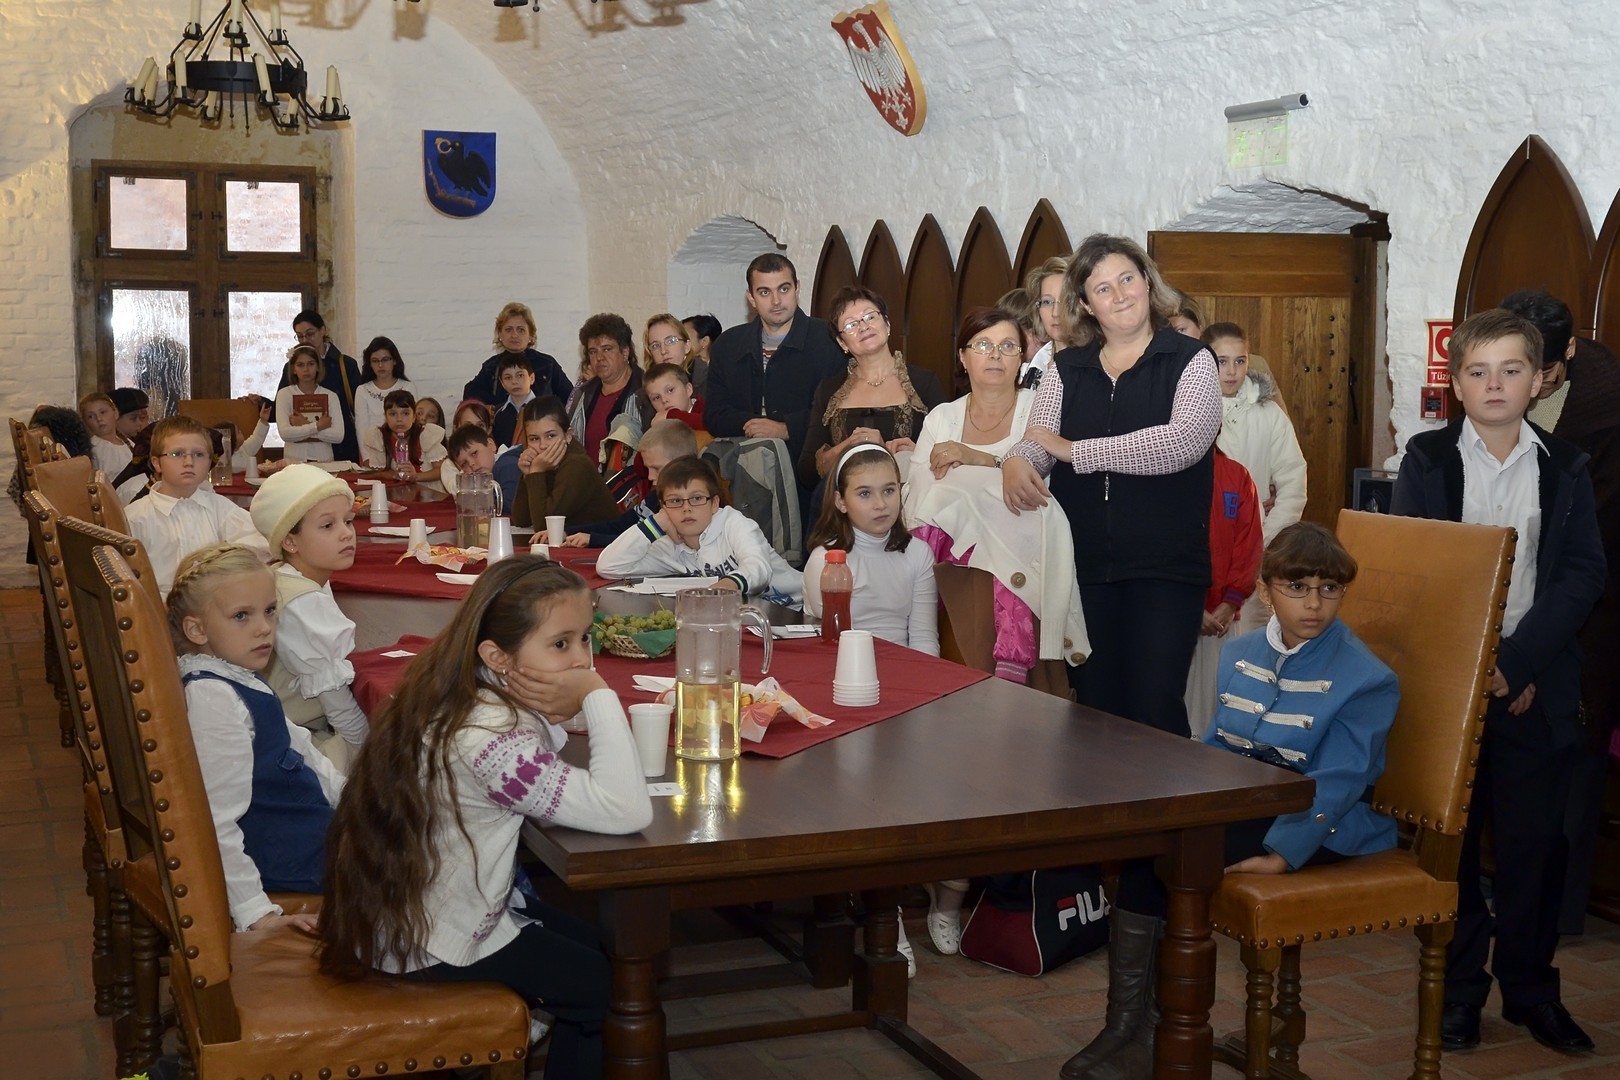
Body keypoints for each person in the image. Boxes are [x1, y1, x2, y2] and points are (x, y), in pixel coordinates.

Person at [1063, 522, 1400, 1080]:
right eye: (1297, 588)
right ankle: (1125, 1027)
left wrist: (1284, 853)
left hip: (1321, 823)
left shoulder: (1366, 677)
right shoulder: (1241, 651)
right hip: (1251, 804)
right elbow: (1219, 746)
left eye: (1329, 589)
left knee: (1173, 858)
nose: (1314, 604)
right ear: (1265, 591)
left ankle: (1156, 1031)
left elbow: (1340, 782)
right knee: (1152, 847)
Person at [318, 557, 653, 1079]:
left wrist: (565, 696)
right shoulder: (490, 740)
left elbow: (546, 747)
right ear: (497, 655)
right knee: (604, 988)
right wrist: (598, 695)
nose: (582, 660)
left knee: (597, 947)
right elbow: (625, 808)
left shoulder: (463, 692)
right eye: (561, 643)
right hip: (429, 938)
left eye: (585, 638)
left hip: (407, 907)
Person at [1391, 308, 1605, 1057]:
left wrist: (1519, 664)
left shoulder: (1566, 466)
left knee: (1534, 849)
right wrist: (1480, 668)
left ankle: (1531, 990)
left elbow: (1580, 575)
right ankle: (1457, 992)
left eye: (1511, 370)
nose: (1494, 384)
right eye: (1477, 371)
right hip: (1452, 687)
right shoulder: (1426, 460)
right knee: (1450, 849)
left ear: (1538, 379)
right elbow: (1417, 570)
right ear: (1456, 383)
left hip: (1533, 684)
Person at [1004, 234, 1221, 737]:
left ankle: (1165, 793)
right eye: (1103, 288)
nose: (1120, 295)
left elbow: (1180, 444)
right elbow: (1039, 441)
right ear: (1085, 304)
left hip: (1164, 566)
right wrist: (1015, 460)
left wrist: (1075, 451)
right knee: (1094, 709)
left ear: (1147, 281)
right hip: (1083, 568)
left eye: (1127, 279)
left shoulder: (1191, 359)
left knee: (1153, 705)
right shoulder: (1066, 368)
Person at [1499, 287, 1620, 935]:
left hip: (1588, 608)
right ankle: (1510, 887)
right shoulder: (1498, 383)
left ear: (1569, 350)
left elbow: (1589, 532)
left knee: (1571, 749)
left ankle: (1558, 908)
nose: (1532, 383)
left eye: (1541, 369)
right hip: (1507, 596)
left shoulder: (1607, 414)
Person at [801, 444, 939, 975]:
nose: (880, 504)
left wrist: (927, 703)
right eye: (864, 493)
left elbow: (923, 639)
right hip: (844, 687)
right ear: (840, 501)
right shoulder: (826, 561)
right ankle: (888, 917)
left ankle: (944, 901)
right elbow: (827, 644)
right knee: (867, 791)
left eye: (889, 490)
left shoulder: (917, 554)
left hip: (903, 689)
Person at [906, 307, 1087, 686]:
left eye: (1007, 346)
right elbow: (923, 497)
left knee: (1008, 499)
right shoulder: (942, 418)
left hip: (1025, 552)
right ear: (962, 356)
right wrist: (988, 480)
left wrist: (977, 463)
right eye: (983, 345)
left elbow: (1039, 486)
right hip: (955, 558)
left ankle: (1012, 653)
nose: (995, 355)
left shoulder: (1039, 409)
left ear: (1022, 358)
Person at [168, 543, 344, 932]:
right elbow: (215, 820)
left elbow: (304, 751)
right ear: (196, 629)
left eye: (269, 611)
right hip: (290, 859)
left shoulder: (238, 677)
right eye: (241, 616)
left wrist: (357, 803)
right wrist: (255, 913)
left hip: (311, 837)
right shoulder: (213, 698)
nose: (263, 627)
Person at [249, 464, 370, 769]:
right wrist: (371, 758)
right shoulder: (303, 601)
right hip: (296, 744)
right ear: (289, 541)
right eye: (328, 525)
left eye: (348, 521)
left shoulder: (292, 578)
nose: (346, 534)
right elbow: (338, 706)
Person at [703, 254, 846, 468]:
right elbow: (714, 414)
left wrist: (787, 428)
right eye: (764, 292)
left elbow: (840, 411)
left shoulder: (829, 340)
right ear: (751, 298)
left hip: (807, 465)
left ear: (797, 289)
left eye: (784, 289)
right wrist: (756, 426)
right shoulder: (728, 345)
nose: (776, 301)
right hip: (741, 460)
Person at [798, 286, 945, 492]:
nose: (864, 326)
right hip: (844, 503)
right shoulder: (829, 389)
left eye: (870, 317)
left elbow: (947, 452)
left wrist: (907, 453)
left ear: (887, 324)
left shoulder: (924, 382)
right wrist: (849, 446)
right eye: (851, 324)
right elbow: (806, 472)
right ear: (842, 342)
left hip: (912, 498)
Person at [598, 455, 802, 599]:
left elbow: (758, 568)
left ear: (714, 503)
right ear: (663, 507)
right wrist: (656, 522)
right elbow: (609, 566)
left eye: (696, 498)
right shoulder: (669, 544)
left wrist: (723, 587)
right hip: (746, 618)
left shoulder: (734, 524)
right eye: (675, 501)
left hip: (798, 611)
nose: (686, 508)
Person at [123, 415, 269, 597]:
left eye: (199, 454)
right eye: (177, 454)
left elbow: (259, 543)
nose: (189, 462)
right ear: (157, 463)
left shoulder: (219, 507)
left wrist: (220, 562)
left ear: (210, 462)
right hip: (159, 606)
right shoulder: (136, 517)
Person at [1182, 448, 1263, 738]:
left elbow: (1249, 542)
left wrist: (1231, 601)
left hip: (1222, 618)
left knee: (1220, 703)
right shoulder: (1166, 471)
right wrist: (1190, 606)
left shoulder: (1237, 475)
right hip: (1175, 612)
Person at [1206, 322, 1307, 547]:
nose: (1232, 371)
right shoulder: (1188, 414)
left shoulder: (1270, 414)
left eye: (1240, 361)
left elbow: (1293, 483)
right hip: (1202, 543)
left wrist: (1265, 539)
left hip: (1257, 540)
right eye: (1222, 361)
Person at [566, 419, 698, 548]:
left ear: (682, 464)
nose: (650, 477)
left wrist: (594, 539)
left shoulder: (686, 507)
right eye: (648, 469)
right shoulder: (653, 498)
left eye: (657, 469)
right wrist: (568, 532)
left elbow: (651, 544)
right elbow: (620, 527)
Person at [511, 396, 622, 534]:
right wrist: (527, 475)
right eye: (534, 439)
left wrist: (536, 472)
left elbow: (546, 528)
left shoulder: (577, 465)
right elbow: (521, 520)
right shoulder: (543, 463)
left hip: (601, 545)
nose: (542, 445)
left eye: (551, 436)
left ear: (568, 435)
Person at [284, 311, 363, 465]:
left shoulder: (346, 364)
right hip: (304, 449)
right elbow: (283, 407)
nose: (305, 340)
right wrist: (259, 402)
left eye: (310, 334)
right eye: (299, 336)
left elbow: (358, 407)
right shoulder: (291, 367)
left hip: (342, 444)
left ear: (322, 330)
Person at [567, 313, 646, 465]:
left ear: (625, 352)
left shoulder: (645, 391)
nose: (599, 357)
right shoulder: (584, 393)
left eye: (607, 349)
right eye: (593, 351)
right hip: (586, 476)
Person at [462, 301, 573, 408]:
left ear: (531, 335)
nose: (514, 335)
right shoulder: (491, 366)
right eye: (508, 329)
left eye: (521, 330)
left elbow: (571, 398)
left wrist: (551, 412)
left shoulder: (547, 364)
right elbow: (469, 392)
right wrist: (499, 406)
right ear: (500, 334)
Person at [276, 344, 347, 463]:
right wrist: (318, 426)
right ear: (293, 369)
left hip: (325, 462)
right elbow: (285, 433)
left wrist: (304, 424)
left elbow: (338, 436)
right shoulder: (285, 394)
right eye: (300, 365)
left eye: (311, 364)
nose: (306, 369)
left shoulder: (330, 396)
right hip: (294, 463)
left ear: (318, 367)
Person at [361, 389, 447, 482]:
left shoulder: (426, 435)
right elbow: (380, 471)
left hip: (427, 487)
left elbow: (441, 470)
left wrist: (415, 476)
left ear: (414, 417)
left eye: (405, 413)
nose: (399, 419)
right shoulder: (379, 437)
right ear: (385, 417)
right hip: (397, 487)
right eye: (393, 414)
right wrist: (397, 475)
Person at [446, 423, 522, 513]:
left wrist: (478, 502)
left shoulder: (507, 465)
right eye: (464, 464)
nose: (471, 464)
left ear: (491, 445)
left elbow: (511, 508)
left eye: (474, 453)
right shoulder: (488, 473)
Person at [352, 336, 417, 440]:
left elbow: (411, 423)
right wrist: (368, 451)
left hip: (402, 444)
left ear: (394, 360)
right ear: (370, 364)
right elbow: (361, 429)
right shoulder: (362, 390)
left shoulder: (407, 387)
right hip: (371, 446)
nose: (380, 365)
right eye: (375, 361)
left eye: (385, 360)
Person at [1022, 256, 1069, 389]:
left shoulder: (1099, 363)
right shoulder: (1033, 366)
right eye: (1047, 302)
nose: (1056, 313)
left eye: (1066, 301)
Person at [643, 362, 708, 438]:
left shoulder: (706, 410)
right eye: (656, 398)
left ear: (688, 390)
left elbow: (711, 423)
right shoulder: (657, 429)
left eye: (670, 390)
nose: (664, 400)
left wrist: (671, 415)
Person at [490, 353, 540, 449]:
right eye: (508, 378)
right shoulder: (497, 414)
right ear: (502, 383)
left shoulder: (545, 408)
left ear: (532, 378)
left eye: (520, 375)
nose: (514, 382)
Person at [79, 392, 130, 481]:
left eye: (103, 412)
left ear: (115, 413)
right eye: (91, 416)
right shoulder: (93, 449)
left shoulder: (128, 443)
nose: (99, 419)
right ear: (85, 423)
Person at [682, 312, 722, 395]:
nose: (682, 342)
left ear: (704, 341)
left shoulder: (723, 369)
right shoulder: (685, 369)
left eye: (686, 337)